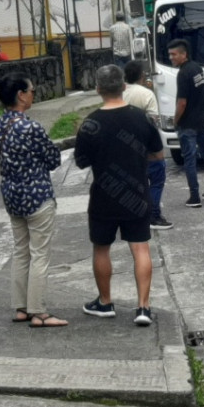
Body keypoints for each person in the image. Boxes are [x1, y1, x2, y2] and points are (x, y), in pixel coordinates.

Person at [74, 64, 164, 326]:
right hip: (137, 193)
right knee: (140, 247)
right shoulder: (141, 118)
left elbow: (81, 162)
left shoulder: (90, 123)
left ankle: (105, 302)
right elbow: (157, 154)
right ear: (124, 86)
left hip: (104, 196)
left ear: (98, 89)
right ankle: (143, 308)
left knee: (101, 248)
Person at [0, 72, 68, 329]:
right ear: (21, 95)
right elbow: (54, 159)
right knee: (40, 255)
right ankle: (39, 312)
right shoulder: (31, 127)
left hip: (12, 197)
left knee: (21, 251)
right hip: (37, 196)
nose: (33, 94)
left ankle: (21, 308)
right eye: (32, 91)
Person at [168, 39, 204, 208]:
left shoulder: (183, 73)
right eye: (170, 54)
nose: (171, 58)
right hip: (201, 120)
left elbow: (182, 102)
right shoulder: (197, 68)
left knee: (189, 160)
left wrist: (175, 121)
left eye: (174, 54)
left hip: (188, 124)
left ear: (184, 54)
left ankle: (194, 196)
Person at [123, 59, 172, 230]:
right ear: (142, 76)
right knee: (157, 178)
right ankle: (154, 215)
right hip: (146, 144)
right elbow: (153, 121)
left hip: (125, 145)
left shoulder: (119, 93)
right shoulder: (146, 94)